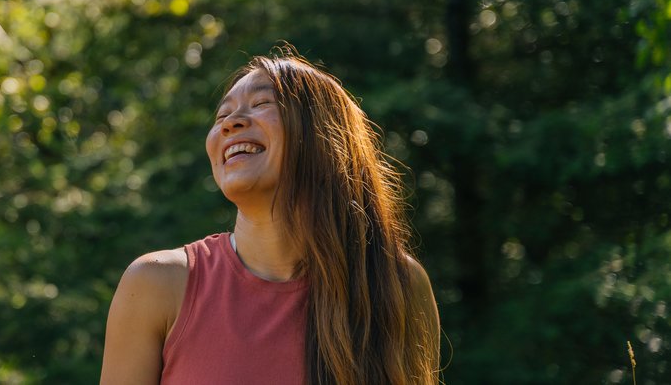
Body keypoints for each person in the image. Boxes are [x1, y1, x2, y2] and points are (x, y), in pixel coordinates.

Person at [100, 46, 440, 385]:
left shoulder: (399, 284)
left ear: (325, 134)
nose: (231, 124)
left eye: (262, 104)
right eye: (222, 117)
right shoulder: (156, 284)